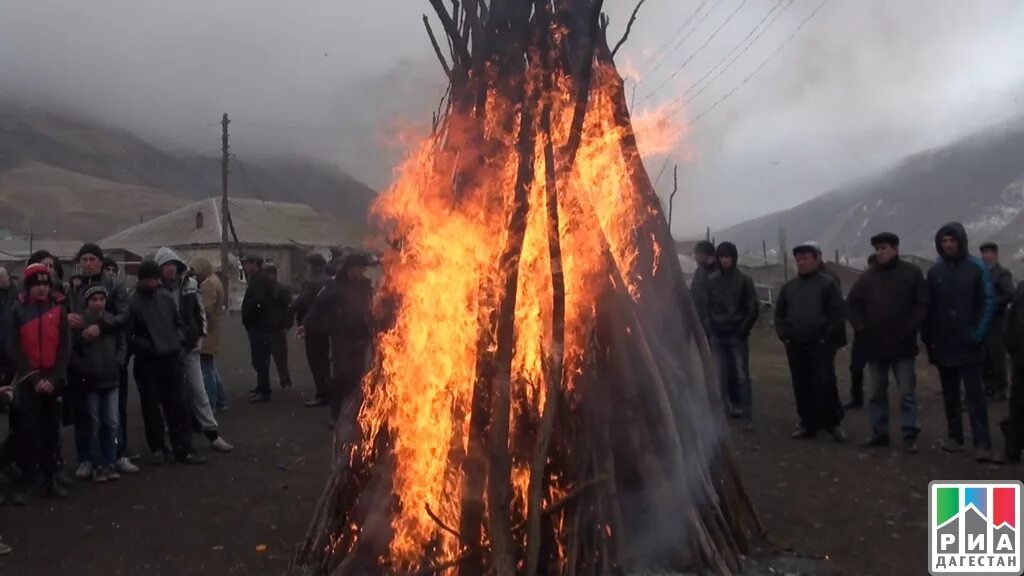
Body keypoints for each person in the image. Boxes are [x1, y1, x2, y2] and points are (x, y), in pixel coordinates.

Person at [847, 233, 928, 453]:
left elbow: (922, 304)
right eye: (877, 249)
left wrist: (910, 327)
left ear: (895, 249)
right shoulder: (868, 277)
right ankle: (879, 432)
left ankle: (909, 434)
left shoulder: (911, 274)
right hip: (875, 346)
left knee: (906, 393)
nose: (880, 253)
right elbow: (852, 305)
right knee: (876, 393)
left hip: (902, 346)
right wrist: (862, 329)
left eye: (884, 248)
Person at [923, 222, 994, 462]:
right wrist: (930, 340)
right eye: (944, 241)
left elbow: (987, 301)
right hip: (944, 344)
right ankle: (955, 437)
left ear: (961, 241)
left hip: (969, 344)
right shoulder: (935, 272)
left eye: (952, 240)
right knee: (950, 395)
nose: (948, 245)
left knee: (975, 396)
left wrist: (977, 334)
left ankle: (982, 442)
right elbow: (929, 308)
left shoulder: (976, 268)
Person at [67, 243, 138, 478]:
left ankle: (118, 455)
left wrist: (100, 326)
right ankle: (87, 458)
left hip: (109, 358)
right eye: (83, 259)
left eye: (91, 259)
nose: (87, 264)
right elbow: (68, 316)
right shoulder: (75, 287)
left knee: (113, 414)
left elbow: (124, 316)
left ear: (100, 261)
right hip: (83, 360)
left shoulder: (114, 284)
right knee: (84, 414)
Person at [127, 259, 205, 465]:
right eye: (149, 280)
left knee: (178, 404)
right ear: (141, 279)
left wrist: (178, 339)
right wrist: (149, 347)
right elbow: (129, 336)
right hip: (148, 362)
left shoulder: (165, 297)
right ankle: (157, 447)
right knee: (151, 407)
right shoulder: (132, 302)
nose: (153, 283)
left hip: (171, 358)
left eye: (155, 279)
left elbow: (178, 322)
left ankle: (183, 447)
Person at [154, 248, 232, 453]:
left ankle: (212, 433)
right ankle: (171, 433)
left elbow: (200, 313)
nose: (169, 268)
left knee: (199, 391)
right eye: (164, 265)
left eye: (172, 264)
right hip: (167, 350)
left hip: (189, 347)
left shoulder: (190, 285)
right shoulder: (157, 290)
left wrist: (200, 337)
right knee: (170, 393)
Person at [8, 263, 71, 502]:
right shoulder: (18, 311)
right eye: (37, 285)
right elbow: (15, 349)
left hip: (53, 380)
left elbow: (65, 347)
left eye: (45, 284)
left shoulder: (58, 308)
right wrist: (34, 378)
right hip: (28, 381)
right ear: (28, 286)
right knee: (27, 432)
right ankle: (26, 481)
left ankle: (50, 479)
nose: (42, 289)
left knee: (51, 433)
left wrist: (53, 378)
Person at [774, 243, 846, 443]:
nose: (802, 263)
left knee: (825, 382)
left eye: (806, 258)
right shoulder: (789, 288)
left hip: (821, 344)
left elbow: (836, 314)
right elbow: (779, 315)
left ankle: (833, 423)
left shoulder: (828, 284)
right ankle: (807, 423)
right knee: (801, 384)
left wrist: (826, 338)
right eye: (798, 259)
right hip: (796, 344)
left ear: (816, 260)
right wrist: (785, 336)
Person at [305, 252, 376, 423]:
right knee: (340, 374)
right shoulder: (335, 286)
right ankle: (336, 416)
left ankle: (356, 414)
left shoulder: (365, 286)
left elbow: (373, 307)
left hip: (361, 335)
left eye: (363, 269)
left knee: (358, 375)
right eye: (359, 269)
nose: (362, 272)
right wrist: (306, 324)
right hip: (341, 335)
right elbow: (318, 305)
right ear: (350, 269)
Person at [68, 286, 122, 481]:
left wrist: (118, 362)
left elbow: (121, 343)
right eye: (94, 299)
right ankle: (97, 462)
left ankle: (110, 461)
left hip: (111, 378)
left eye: (101, 299)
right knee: (94, 423)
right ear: (87, 301)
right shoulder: (78, 322)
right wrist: (85, 367)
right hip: (90, 380)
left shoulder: (111, 320)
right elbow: (71, 349)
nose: (98, 303)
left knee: (112, 423)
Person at [701, 242, 758, 422]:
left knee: (741, 375)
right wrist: (711, 328)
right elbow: (707, 307)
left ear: (734, 258)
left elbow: (752, 308)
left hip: (736, 335)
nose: (725, 260)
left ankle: (746, 412)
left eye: (728, 257)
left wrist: (742, 331)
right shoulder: (712, 281)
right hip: (718, 336)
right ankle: (723, 413)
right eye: (722, 257)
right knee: (719, 376)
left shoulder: (744, 280)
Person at [290, 253, 332, 408]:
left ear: (313, 266)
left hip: (312, 327)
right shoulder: (328, 281)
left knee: (315, 362)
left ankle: (322, 395)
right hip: (325, 327)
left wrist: (290, 306)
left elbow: (302, 301)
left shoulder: (311, 282)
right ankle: (327, 392)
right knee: (324, 361)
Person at [191, 257, 227, 411]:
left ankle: (211, 403)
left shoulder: (208, 284)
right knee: (210, 367)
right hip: (214, 329)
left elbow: (207, 309)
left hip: (208, 332)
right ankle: (219, 399)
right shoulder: (214, 280)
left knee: (206, 369)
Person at [980, 242, 1014, 401]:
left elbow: (1009, 293)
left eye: (989, 252)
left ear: (995, 254)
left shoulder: (1002, 273)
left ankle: (1001, 388)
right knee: (985, 356)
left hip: (998, 321)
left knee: (997, 356)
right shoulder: (982, 273)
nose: (986, 255)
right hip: (984, 322)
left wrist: (992, 303)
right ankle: (989, 386)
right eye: (984, 253)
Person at [242, 255, 277, 403]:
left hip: (260, 326)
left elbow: (259, 301)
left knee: (261, 360)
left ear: (255, 264)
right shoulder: (257, 279)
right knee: (258, 359)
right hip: (258, 326)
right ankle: (260, 387)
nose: (244, 267)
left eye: (247, 264)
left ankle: (264, 391)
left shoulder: (260, 280)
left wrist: (250, 313)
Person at [265, 264, 293, 390]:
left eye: (271, 273)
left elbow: (290, 307)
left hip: (277, 328)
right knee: (263, 360)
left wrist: (287, 324)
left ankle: (285, 381)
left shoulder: (281, 289)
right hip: (265, 328)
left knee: (280, 358)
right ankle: (264, 384)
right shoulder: (262, 289)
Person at [690, 240, 717, 336]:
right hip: (700, 320)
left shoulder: (720, 272)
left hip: (716, 324)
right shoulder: (700, 271)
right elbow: (693, 292)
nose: (695, 257)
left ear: (704, 254)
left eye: (697, 254)